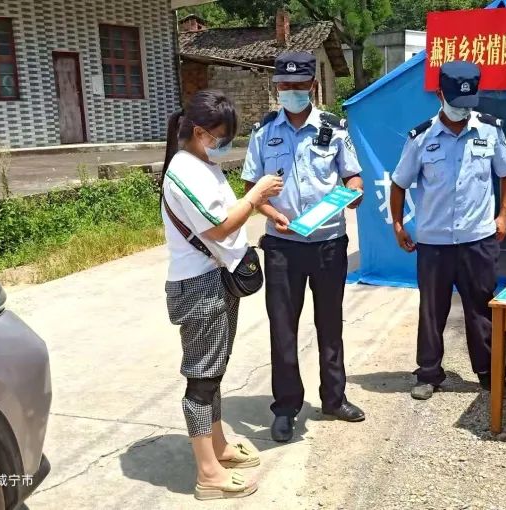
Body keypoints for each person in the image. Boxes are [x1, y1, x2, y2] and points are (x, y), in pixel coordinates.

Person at [162, 90, 283, 500]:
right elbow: (219, 227)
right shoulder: (184, 171)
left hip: (216, 279)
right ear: (199, 132)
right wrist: (255, 196)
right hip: (199, 287)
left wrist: (254, 202)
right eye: (221, 136)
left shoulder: (202, 164)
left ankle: (218, 446)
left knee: (214, 373)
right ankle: (208, 474)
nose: (225, 144)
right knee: (201, 382)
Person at [241, 51, 365, 443]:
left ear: (312, 85)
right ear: (276, 86)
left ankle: (334, 398)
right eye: (285, 85)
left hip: (328, 243)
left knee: (330, 324)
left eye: (298, 85)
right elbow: (251, 188)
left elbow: (353, 178)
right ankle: (286, 407)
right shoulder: (263, 133)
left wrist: (352, 195)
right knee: (283, 329)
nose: (291, 91)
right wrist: (270, 212)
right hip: (282, 246)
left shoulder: (334, 129)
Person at [390, 60, 506, 401]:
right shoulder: (421, 138)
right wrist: (399, 224)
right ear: (439, 95)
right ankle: (429, 373)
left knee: (482, 309)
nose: (463, 110)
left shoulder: (490, 130)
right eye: (456, 102)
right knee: (432, 311)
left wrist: (503, 216)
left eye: (468, 103)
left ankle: (491, 375)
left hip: (478, 240)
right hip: (434, 243)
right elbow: (399, 183)